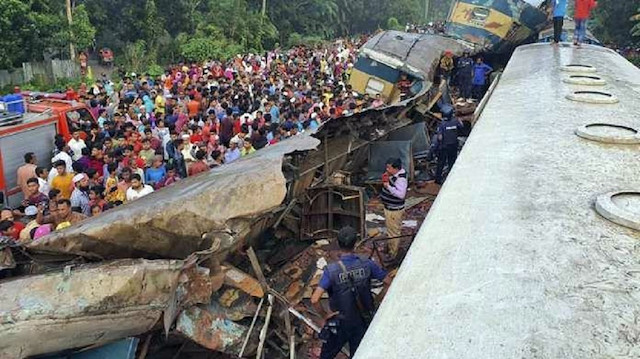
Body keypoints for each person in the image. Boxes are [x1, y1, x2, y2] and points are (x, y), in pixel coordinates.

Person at [311, 226, 389, 359]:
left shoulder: (331, 270)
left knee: (326, 355)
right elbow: (388, 281)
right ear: (355, 243)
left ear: (338, 243)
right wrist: (377, 301)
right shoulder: (367, 263)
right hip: (362, 319)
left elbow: (314, 299)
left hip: (339, 322)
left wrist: (326, 315)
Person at [379, 158, 408, 260]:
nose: (387, 169)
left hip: (394, 210)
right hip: (389, 207)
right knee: (390, 229)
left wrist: (388, 187)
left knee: (394, 232)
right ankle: (389, 247)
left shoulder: (401, 179)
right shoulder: (394, 175)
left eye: (389, 168)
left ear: (396, 168)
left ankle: (393, 254)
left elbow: (401, 195)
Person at [435, 105, 464, 185]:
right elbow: (461, 126)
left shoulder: (442, 124)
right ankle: (451, 179)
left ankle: (438, 180)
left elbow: (440, 138)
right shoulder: (455, 121)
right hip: (453, 145)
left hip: (444, 147)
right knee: (452, 162)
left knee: (441, 163)